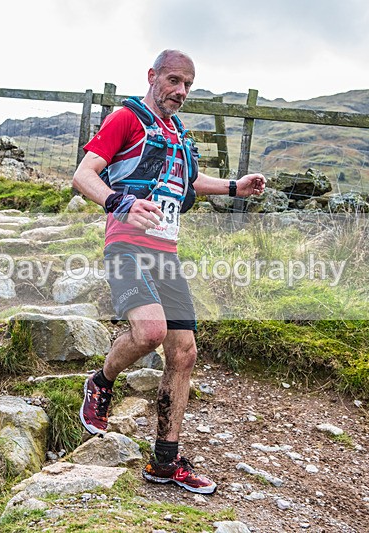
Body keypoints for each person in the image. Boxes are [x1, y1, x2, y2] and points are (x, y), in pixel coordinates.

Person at [72, 49, 266, 495]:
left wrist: (234, 187)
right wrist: (119, 201)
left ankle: (165, 461)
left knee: (184, 353)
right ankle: (101, 382)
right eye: (174, 80)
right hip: (126, 246)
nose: (180, 91)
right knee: (150, 332)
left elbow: (189, 182)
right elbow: (84, 175)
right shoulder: (126, 119)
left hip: (167, 254)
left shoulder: (178, 132)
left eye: (187, 85)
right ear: (152, 76)